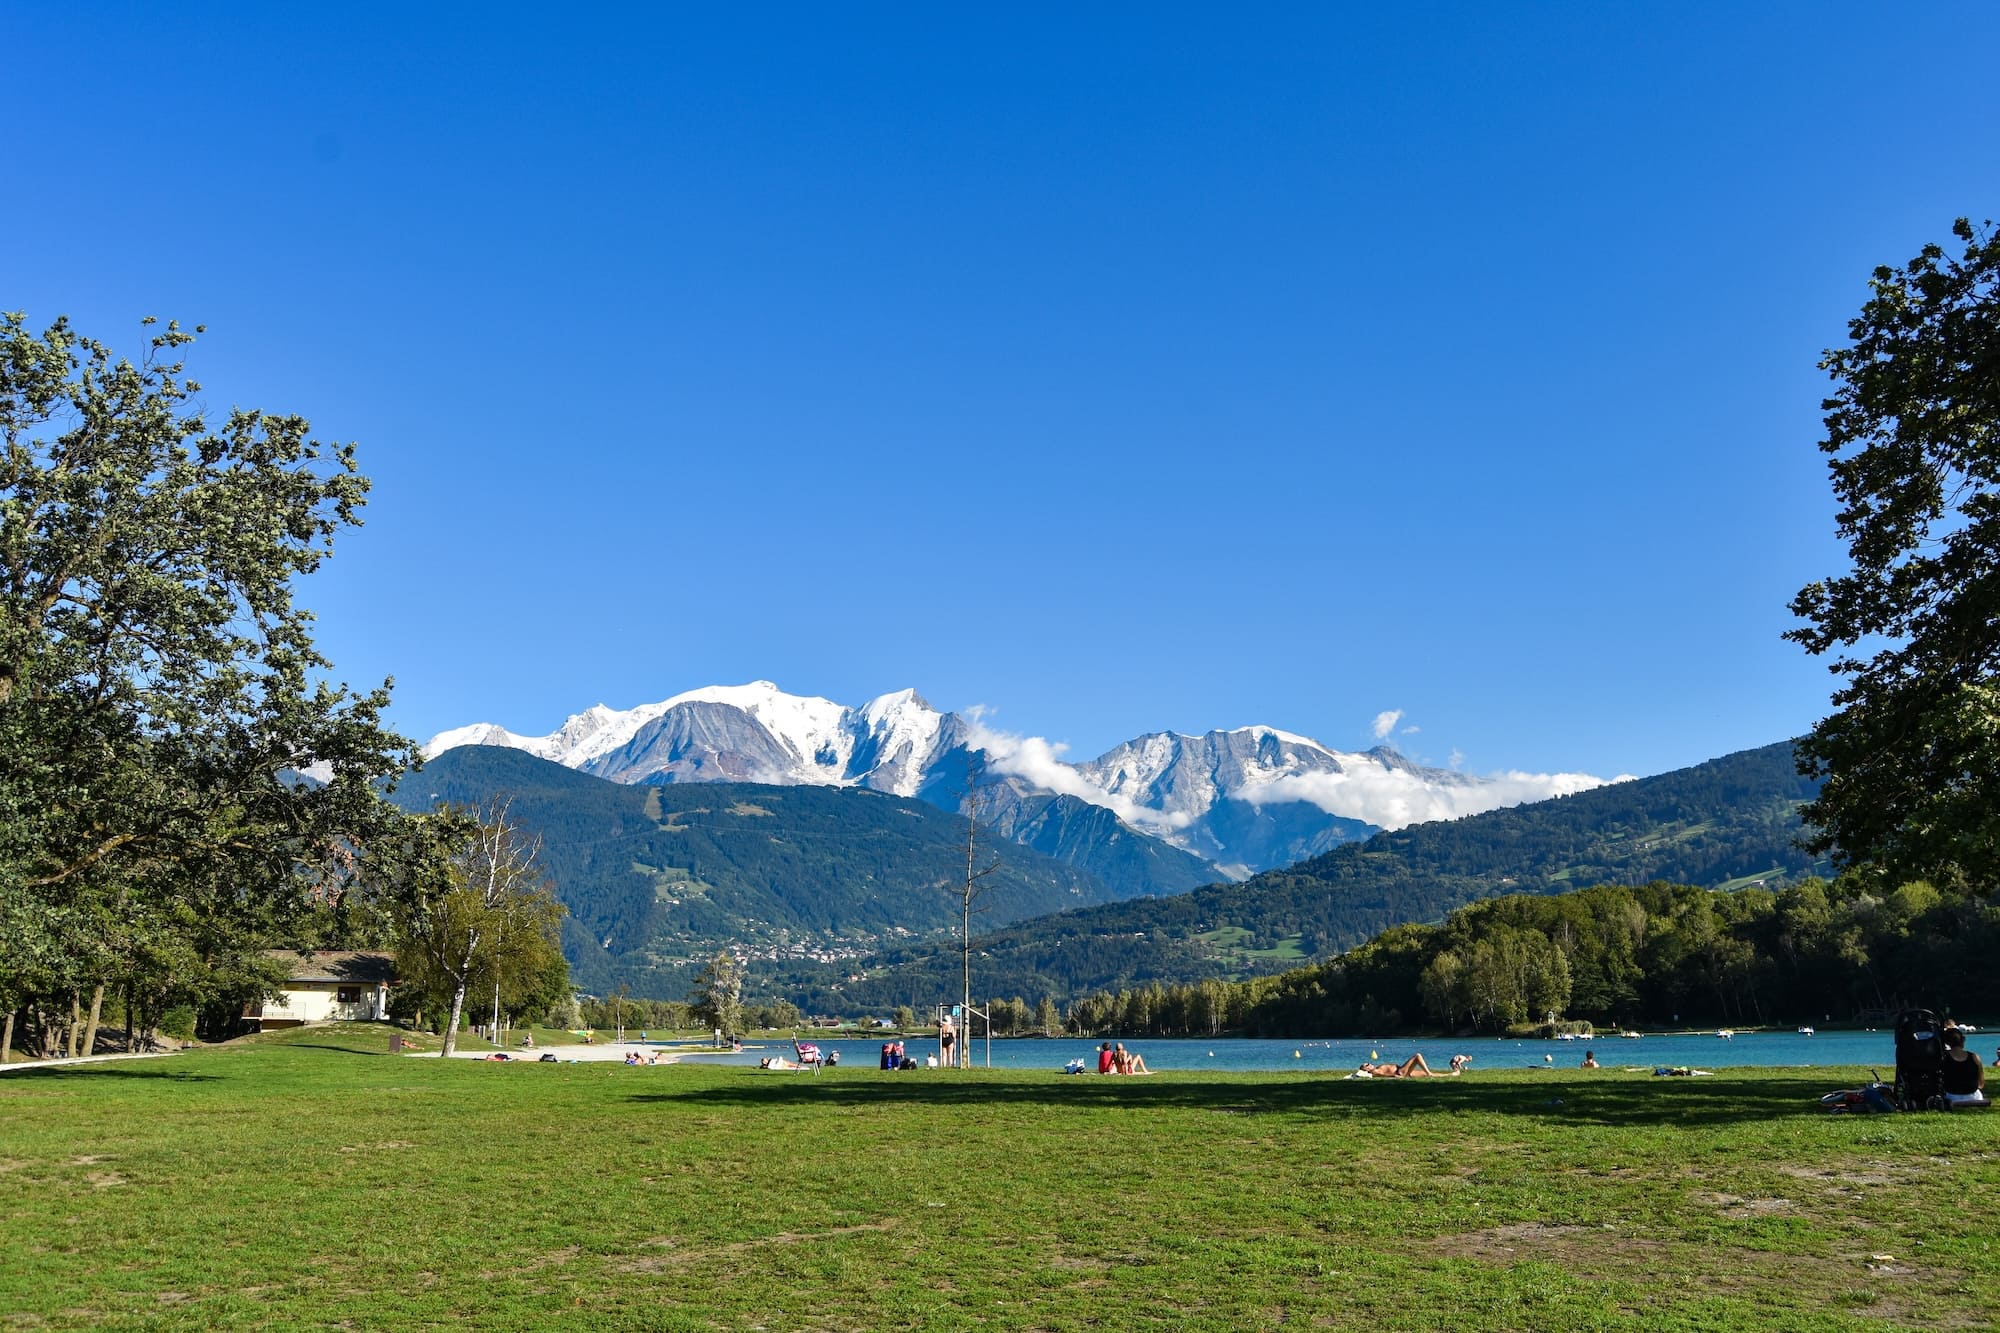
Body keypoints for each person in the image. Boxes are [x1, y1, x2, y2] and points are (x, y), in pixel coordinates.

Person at [1943, 1026, 1987, 1107]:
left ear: (1946, 1042)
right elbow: (1981, 1084)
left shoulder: (1943, 1057)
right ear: (1963, 1040)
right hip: (1974, 1097)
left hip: (1951, 1097)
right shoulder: (1974, 1057)